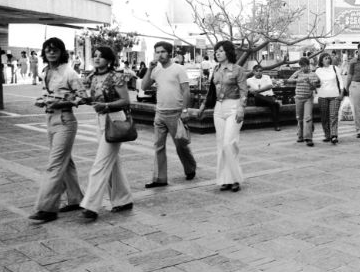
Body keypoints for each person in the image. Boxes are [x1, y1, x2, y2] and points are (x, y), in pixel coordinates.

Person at [28, 38, 87, 223]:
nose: (51, 53)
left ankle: (47, 208)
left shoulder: (69, 73)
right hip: (50, 119)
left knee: (54, 165)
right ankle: (76, 198)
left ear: (62, 52)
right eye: (47, 50)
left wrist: (63, 102)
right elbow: (50, 94)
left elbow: (84, 97)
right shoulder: (47, 71)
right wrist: (43, 99)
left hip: (65, 120)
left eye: (54, 50)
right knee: (65, 161)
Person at [79, 46, 134, 220]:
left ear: (109, 60)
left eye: (101, 56)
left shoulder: (117, 76)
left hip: (115, 119)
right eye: (95, 56)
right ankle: (123, 199)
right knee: (112, 163)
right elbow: (95, 99)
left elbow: (125, 100)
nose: (97, 59)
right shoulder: (92, 77)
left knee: (100, 164)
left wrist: (107, 106)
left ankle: (90, 205)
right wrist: (83, 100)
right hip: (100, 120)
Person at [142, 41, 197, 188]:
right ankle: (160, 178)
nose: (160, 55)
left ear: (169, 53)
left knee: (181, 145)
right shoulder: (156, 69)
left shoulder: (179, 69)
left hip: (176, 113)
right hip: (160, 113)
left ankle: (190, 168)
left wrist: (185, 111)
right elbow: (144, 86)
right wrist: (149, 69)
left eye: (162, 52)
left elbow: (186, 91)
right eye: (157, 52)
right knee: (158, 146)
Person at [199, 40, 248, 192]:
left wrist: (241, 108)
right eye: (216, 51)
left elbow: (243, 91)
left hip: (234, 106)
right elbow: (211, 92)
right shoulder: (216, 69)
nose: (217, 53)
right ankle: (225, 180)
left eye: (220, 50)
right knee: (221, 145)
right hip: (218, 108)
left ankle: (236, 178)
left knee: (229, 143)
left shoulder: (238, 70)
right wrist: (202, 106)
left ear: (228, 52)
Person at [287, 57, 320, 146]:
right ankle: (300, 135)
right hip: (298, 98)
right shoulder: (298, 73)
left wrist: (309, 82)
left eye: (305, 66)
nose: (303, 68)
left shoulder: (313, 74)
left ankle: (308, 138)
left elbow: (315, 86)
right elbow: (289, 80)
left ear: (308, 65)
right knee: (299, 118)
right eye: (302, 66)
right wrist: (298, 80)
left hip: (308, 98)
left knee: (308, 117)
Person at [315, 53, 344, 144]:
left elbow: (341, 81)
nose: (327, 60)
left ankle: (334, 135)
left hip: (335, 96)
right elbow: (316, 83)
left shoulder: (335, 68)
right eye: (325, 58)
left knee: (333, 116)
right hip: (322, 96)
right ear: (321, 61)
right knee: (324, 117)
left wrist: (342, 93)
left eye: (328, 58)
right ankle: (327, 135)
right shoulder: (318, 71)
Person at [247, 64, 281, 131]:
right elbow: (247, 89)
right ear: (253, 72)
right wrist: (250, 90)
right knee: (258, 96)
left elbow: (270, 86)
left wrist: (258, 91)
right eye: (257, 71)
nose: (259, 72)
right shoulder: (249, 80)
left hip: (269, 98)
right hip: (259, 100)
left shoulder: (266, 77)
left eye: (260, 71)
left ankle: (276, 126)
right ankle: (276, 125)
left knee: (273, 105)